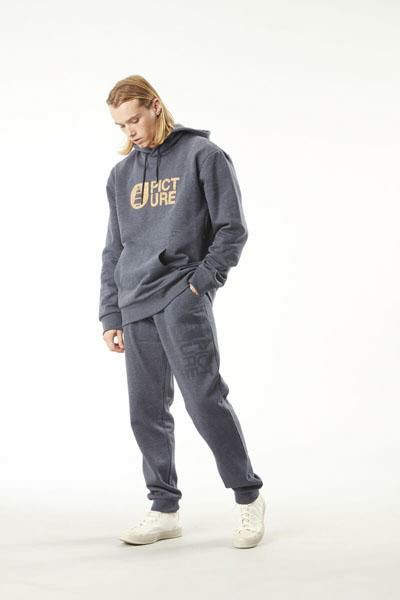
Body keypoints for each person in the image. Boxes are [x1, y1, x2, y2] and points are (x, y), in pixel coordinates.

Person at [99, 74, 265, 549]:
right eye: (121, 125)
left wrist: (199, 284)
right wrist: (110, 313)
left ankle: (248, 496)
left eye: (135, 119)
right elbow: (114, 249)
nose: (130, 131)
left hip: (180, 297)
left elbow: (232, 230)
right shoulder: (121, 175)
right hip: (134, 302)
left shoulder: (203, 156)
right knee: (145, 411)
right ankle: (163, 508)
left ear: (155, 106)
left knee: (204, 400)